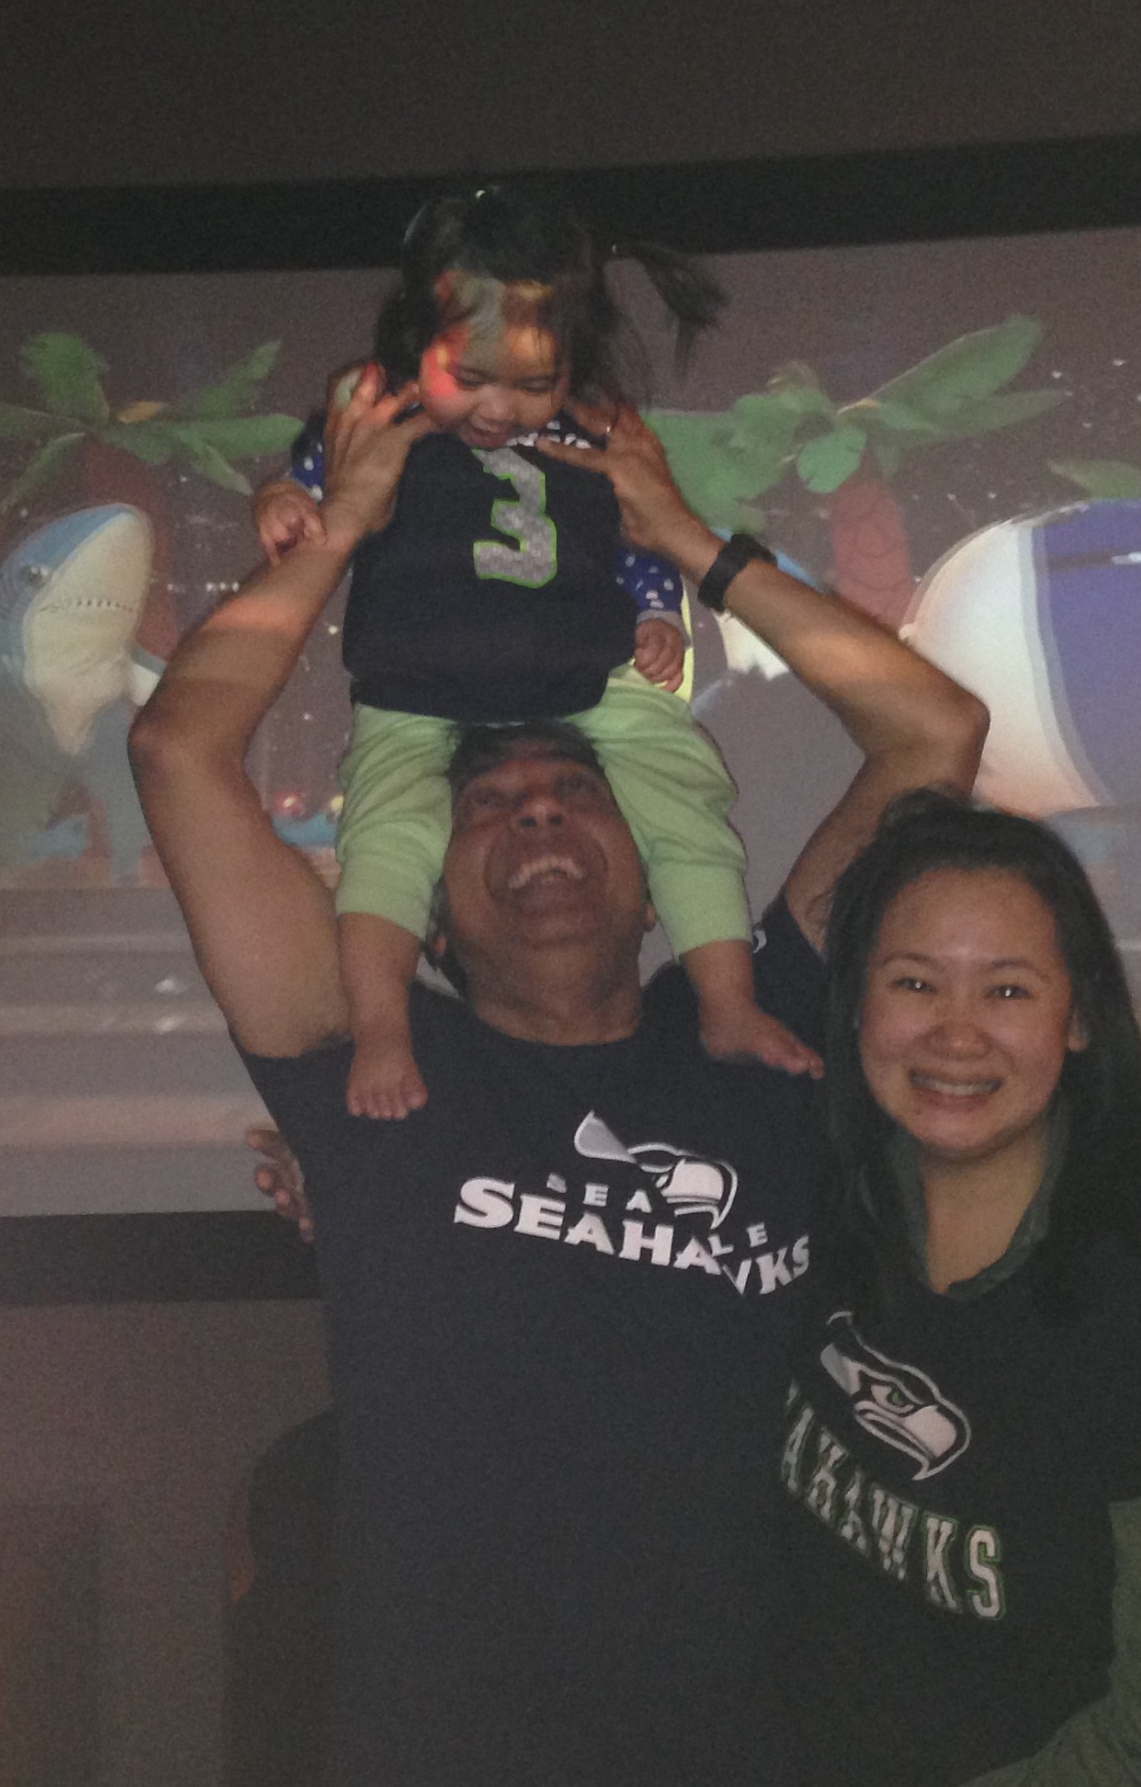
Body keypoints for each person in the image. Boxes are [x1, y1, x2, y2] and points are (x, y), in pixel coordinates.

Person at [131, 371, 986, 1787]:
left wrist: (687, 538)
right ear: (423, 900)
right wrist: (340, 528)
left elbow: (932, 729)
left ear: (656, 869)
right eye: (489, 806)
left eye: (576, 789)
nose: (535, 816)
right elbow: (182, 751)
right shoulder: (364, 1066)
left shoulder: (760, 1037)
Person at [782, 792, 1141, 1787]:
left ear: (1078, 1020)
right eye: (914, 982)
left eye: (1008, 990)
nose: (956, 1034)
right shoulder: (827, 1233)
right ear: (856, 1004)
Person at [248, 185, 816, 1120]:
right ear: (416, 337)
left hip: (588, 671)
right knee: (389, 838)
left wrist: (658, 611)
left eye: (531, 384)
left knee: (682, 796)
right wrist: (280, 502)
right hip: (414, 689)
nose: (498, 407)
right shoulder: (378, 413)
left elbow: (636, 531)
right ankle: (382, 1027)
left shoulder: (596, 424)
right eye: (469, 377)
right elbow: (306, 483)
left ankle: (725, 1003)